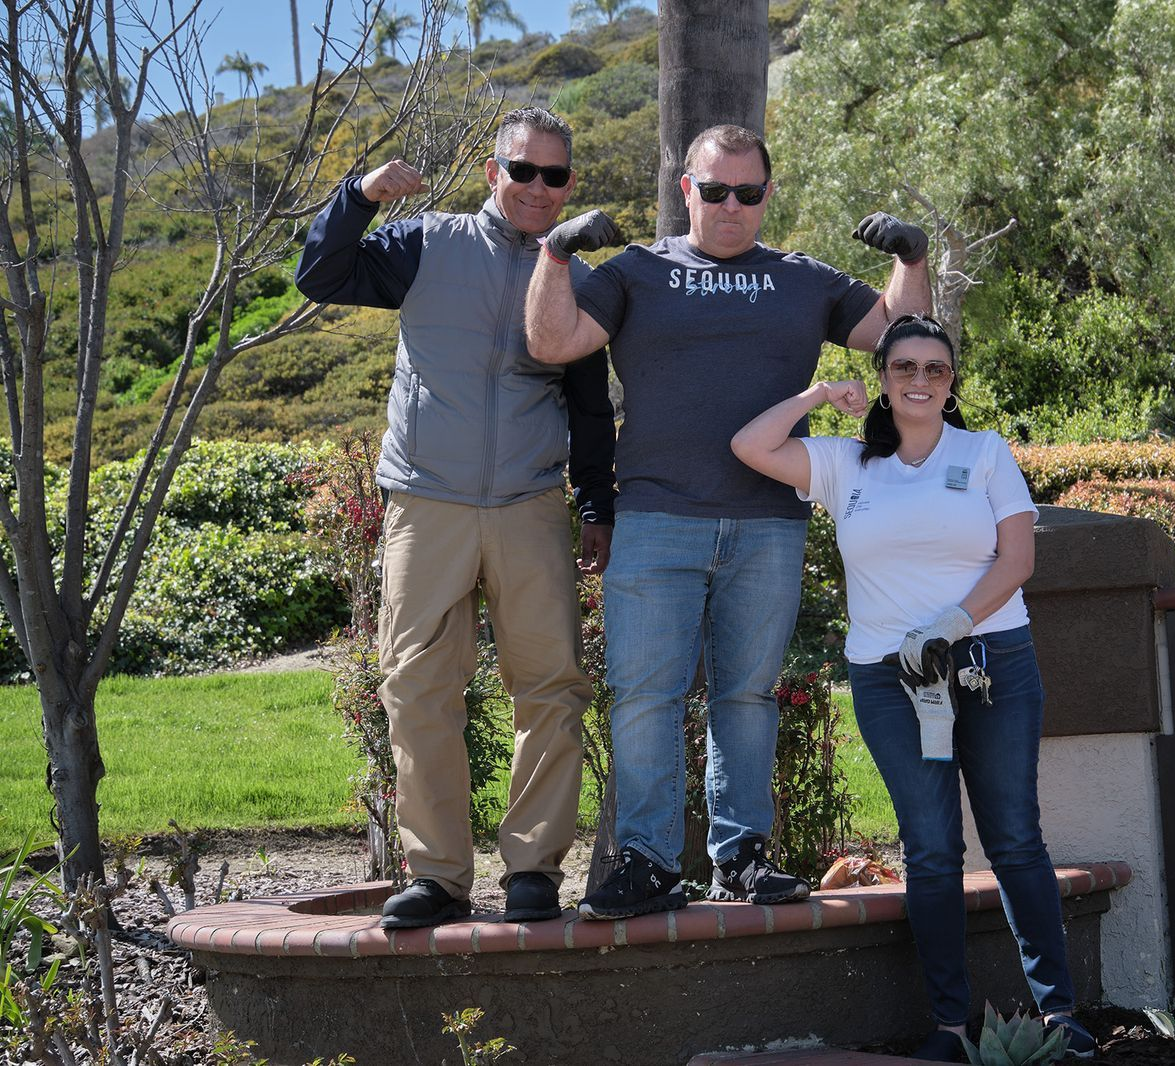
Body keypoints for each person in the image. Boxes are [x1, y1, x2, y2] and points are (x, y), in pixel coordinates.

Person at [525, 123, 932, 920]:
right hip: (655, 517)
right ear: (687, 191)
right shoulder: (637, 272)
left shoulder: (802, 279)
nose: (730, 206)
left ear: (766, 196)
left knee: (746, 696)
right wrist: (556, 255)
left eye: (747, 193)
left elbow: (900, 339)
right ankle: (644, 861)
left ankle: (740, 857)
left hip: (767, 524)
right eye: (713, 191)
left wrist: (909, 262)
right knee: (644, 696)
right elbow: (550, 341)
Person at [730, 313, 1096, 1061]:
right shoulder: (844, 464)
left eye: (935, 369)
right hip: (888, 679)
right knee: (930, 850)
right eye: (904, 369)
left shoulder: (985, 453)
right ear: (885, 380)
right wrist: (813, 392)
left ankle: (1059, 1015)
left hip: (990, 662)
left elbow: (1017, 560)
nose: (920, 381)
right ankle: (949, 1027)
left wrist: (949, 624)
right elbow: (750, 445)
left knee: (1015, 840)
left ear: (950, 381)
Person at [295, 107, 617, 928]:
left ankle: (533, 874)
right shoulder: (425, 243)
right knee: (416, 689)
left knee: (550, 690)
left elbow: (587, 405)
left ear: (568, 184)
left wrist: (595, 503)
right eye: (521, 170)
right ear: (491, 172)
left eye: (552, 175)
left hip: (528, 507)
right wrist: (360, 195)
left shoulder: (572, 276)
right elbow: (321, 275)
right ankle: (438, 877)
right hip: (425, 503)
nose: (536, 188)